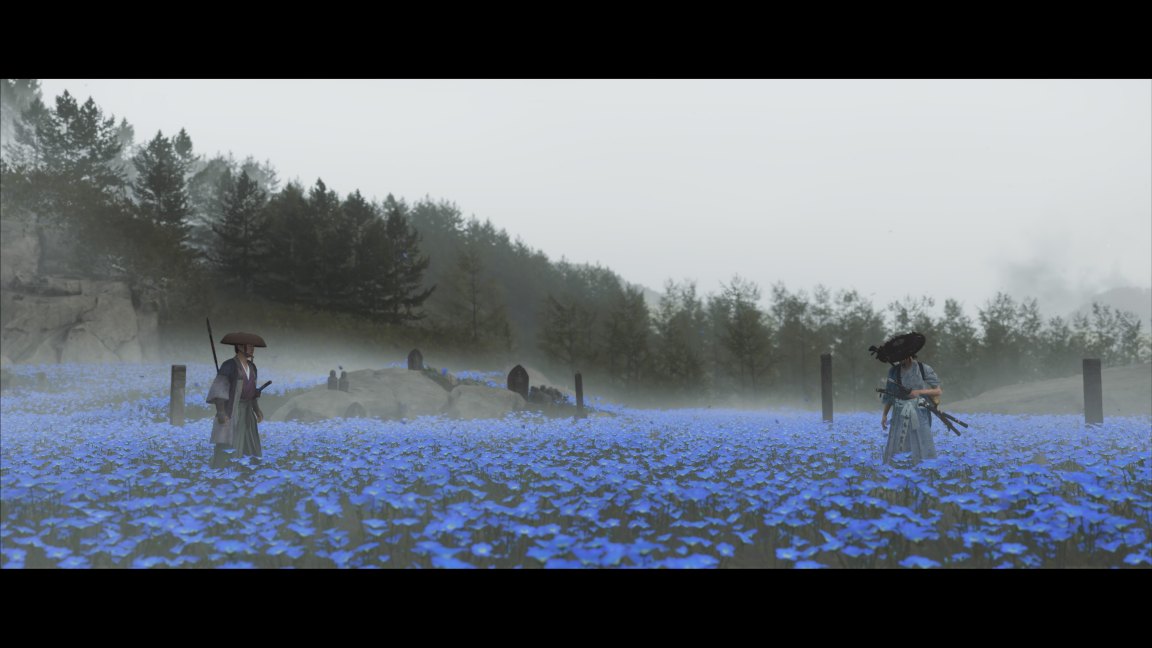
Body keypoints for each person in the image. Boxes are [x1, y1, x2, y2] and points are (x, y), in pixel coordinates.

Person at [871, 332, 943, 465]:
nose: (901, 360)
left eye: (903, 356)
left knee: (921, 439)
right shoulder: (893, 372)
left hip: (919, 412)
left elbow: (937, 390)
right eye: (899, 357)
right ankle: (899, 469)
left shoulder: (923, 369)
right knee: (899, 442)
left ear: (910, 353)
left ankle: (925, 468)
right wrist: (884, 415)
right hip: (899, 413)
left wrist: (919, 392)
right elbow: (889, 395)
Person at [207, 332, 267, 468]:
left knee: (249, 440)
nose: (252, 349)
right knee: (229, 442)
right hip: (233, 410)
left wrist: (256, 409)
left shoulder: (252, 367)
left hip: (247, 412)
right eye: (249, 346)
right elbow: (219, 390)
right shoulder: (229, 365)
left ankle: (248, 469)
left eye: (253, 346)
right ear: (240, 346)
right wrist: (221, 412)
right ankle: (225, 470)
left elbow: (251, 392)